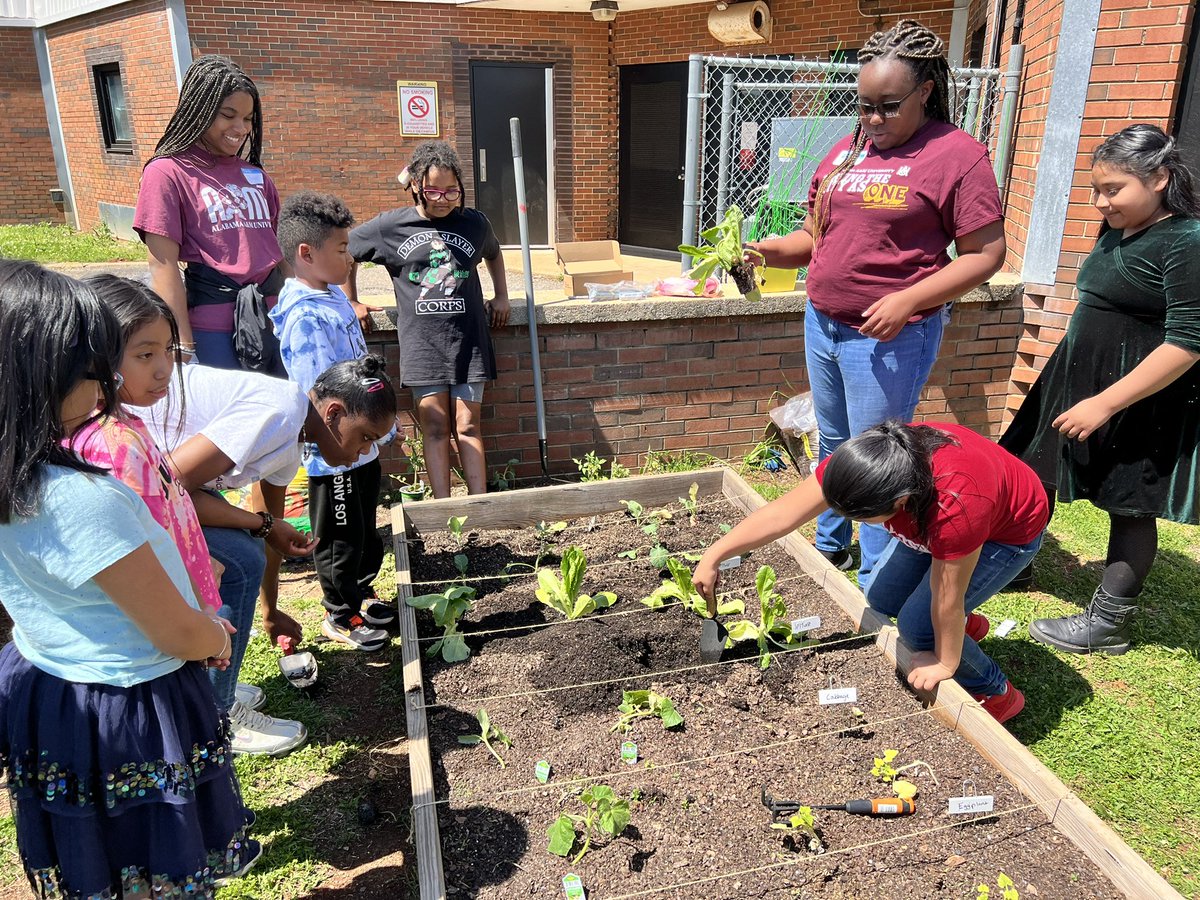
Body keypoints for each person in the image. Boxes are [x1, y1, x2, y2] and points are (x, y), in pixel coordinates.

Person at [0, 260, 257, 894]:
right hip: (127, 703)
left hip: (49, 683)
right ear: (43, 374)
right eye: (89, 363)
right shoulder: (80, 499)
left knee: (95, 856)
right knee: (153, 849)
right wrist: (214, 636)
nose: (102, 379)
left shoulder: (15, 476)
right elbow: (173, 632)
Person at [744, 20, 1005, 586]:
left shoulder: (957, 156)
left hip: (889, 338)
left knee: (880, 461)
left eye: (888, 107)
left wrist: (908, 299)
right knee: (834, 443)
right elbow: (813, 237)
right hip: (823, 324)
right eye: (864, 106)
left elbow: (985, 255)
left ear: (925, 91)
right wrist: (767, 251)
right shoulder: (847, 151)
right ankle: (829, 547)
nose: (873, 120)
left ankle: (875, 581)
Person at [694, 421, 1049, 725]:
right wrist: (714, 555)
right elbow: (780, 515)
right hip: (942, 518)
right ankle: (964, 628)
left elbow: (948, 598)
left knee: (917, 628)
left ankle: (996, 691)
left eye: (860, 518)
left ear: (899, 503)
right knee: (881, 596)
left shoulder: (955, 508)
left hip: (1006, 534)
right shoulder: (865, 463)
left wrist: (945, 662)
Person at [130, 356, 398, 754]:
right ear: (334, 413)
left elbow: (269, 530)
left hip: (155, 483)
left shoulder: (290, 440)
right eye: (365, 437)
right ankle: (216, 714)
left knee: (246, 552)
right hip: (124, 479)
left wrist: (271, 611)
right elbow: (168, 482)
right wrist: (261, 526)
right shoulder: (281, 411)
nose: (364, 452)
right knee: (238, 559)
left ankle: (211, 685)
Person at [1000, 124, 1200, 655]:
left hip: (1140, 400)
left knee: (1129, 503)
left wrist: (1107, 402)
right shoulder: (1116, 230)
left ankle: (1108, 623)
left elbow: (1188, 342)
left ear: (1159, 179)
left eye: (1113, 189)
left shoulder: (1187, 241)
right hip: (1074, 379)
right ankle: (1012, 563)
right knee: (1031, 468)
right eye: (1096, 189)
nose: (1099, 202)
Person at [135, 55, 371, 369]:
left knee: (293, 401)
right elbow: (162, 266)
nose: (241, 128)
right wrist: (181, 344)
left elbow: (284, 257)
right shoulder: (167, 172)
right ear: (198, 109)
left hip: (276, 319)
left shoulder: (256, 176)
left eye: (247, 118)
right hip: (214, 329)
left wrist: (305, 310)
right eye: (228, 115)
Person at [345, 139, 510, 498]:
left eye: (451, 191)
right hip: (423, 346)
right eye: (434, 190)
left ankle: (480, 506)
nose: (443, 199)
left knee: (468, 425)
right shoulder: (390, 227)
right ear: (417, 185)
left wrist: (501, 295)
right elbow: (348, 251)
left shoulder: (474, 223)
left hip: (469, 343)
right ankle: (442, 509)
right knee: (435, 426)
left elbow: (494, 253)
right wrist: (351, 301)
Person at [272, 190, 393, 651]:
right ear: (307, 253)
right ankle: (340, 613)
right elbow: (317, 393)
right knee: (339, 534)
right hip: (334, 453)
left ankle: (360, 592)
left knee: (363, 526)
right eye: (342, 249)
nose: (349, 257)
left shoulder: (333, 297)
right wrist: (340, 441)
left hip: (360, 444)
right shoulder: (304, 316)